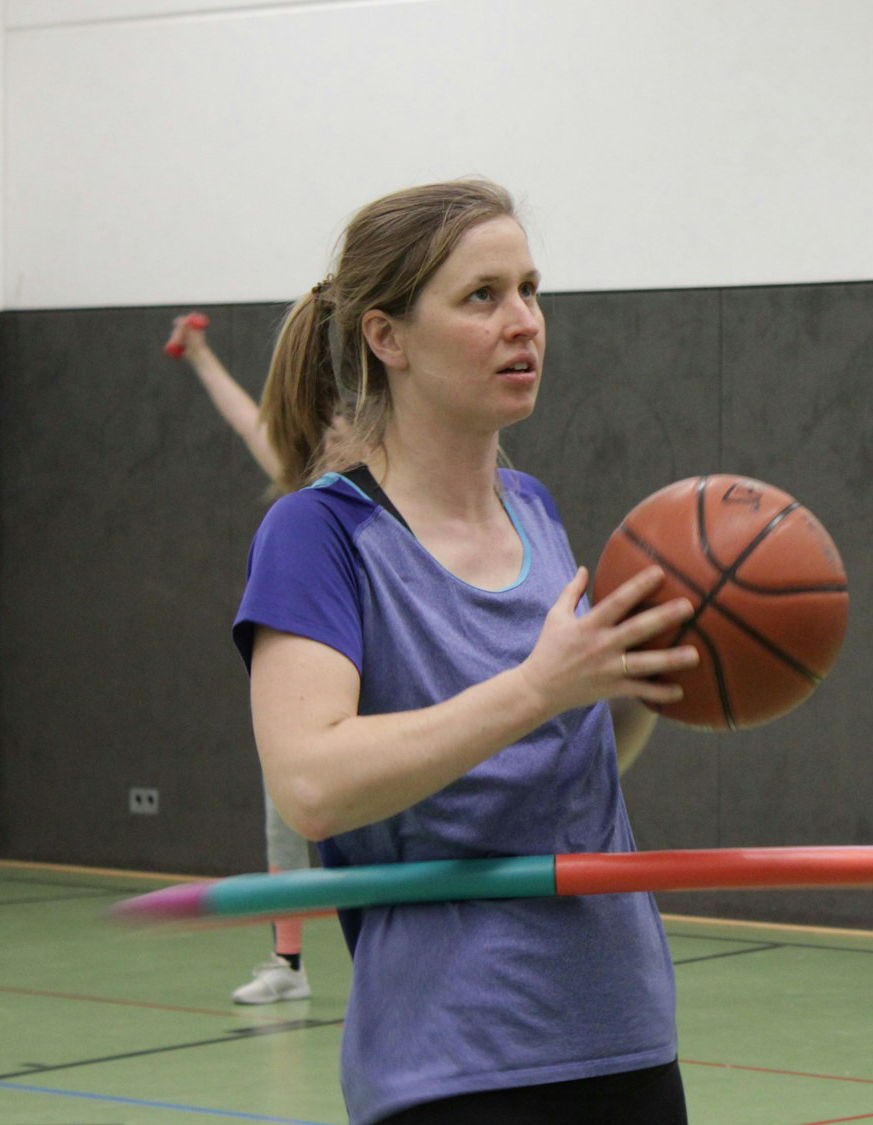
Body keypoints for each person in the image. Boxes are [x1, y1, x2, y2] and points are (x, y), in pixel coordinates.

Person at [233, 178, 700, 1123]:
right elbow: (312, 782)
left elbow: (571, 756)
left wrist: (642, 679)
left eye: (531, 289)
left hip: (622, 1025)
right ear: (386, 337)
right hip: (455, 1056)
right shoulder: (317, 534)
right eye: (481, 296)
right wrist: (538, 686)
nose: (523, 321)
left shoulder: (534, 509)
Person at [166, 312, 322, 1004]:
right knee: (283, 820)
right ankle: (287, 963)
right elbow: (245, 416)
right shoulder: (302, 484)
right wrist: (199, 355)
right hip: (309, 686)